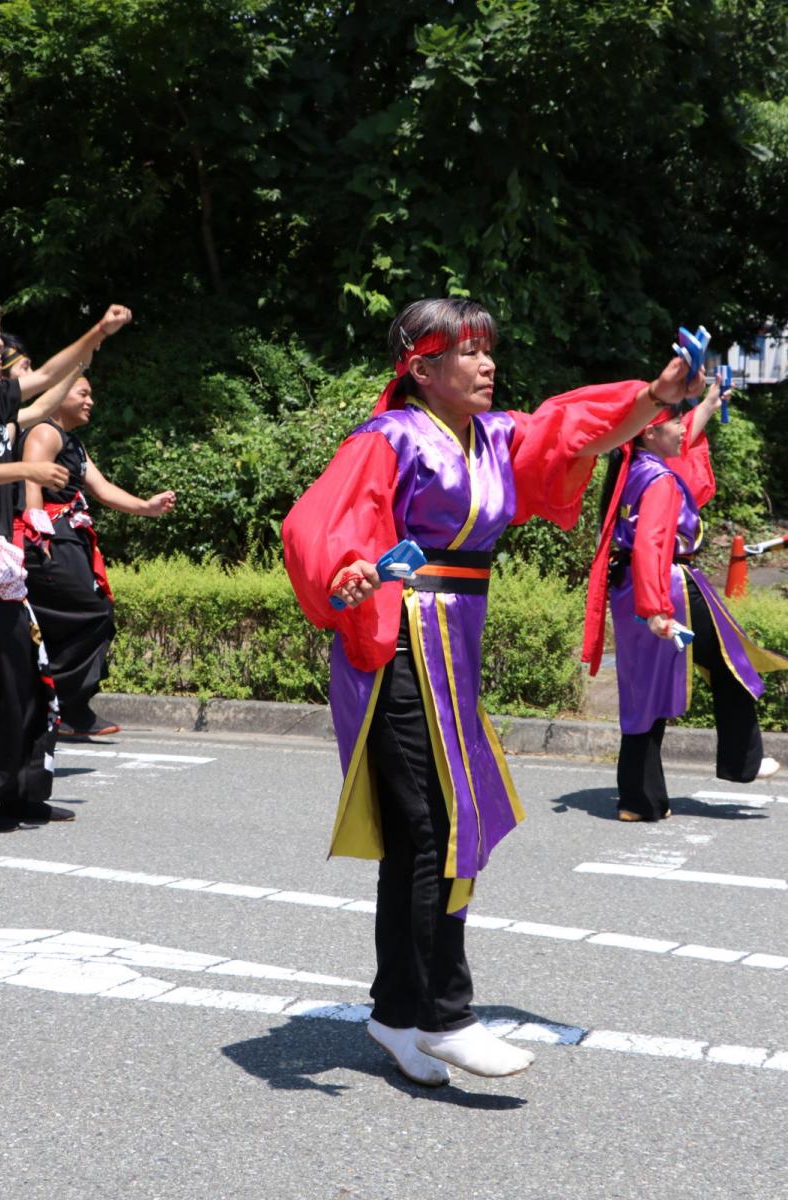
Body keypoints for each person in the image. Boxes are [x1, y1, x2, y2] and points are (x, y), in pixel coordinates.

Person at [283, 297, 703, 1086]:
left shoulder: (494, 435)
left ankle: (395, 1013)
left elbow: (571, 431)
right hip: (400, 643)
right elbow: (320, 526)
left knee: (426, 833)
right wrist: (345, 570)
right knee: (433, 825)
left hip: (454, 647)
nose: (488, 365)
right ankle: (445, 1013)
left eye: (488, 351)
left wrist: (655, 396)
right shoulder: (388, 439)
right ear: (422, 367)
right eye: (469, 353)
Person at [583, 377, 787, 824]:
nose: (682, 429)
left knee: (645, 692)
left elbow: (681, 435)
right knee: (734, 663)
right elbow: (652, 546)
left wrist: (710, 403)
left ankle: (638, 799)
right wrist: (657, 609)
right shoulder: (658, 480)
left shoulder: (634, 464)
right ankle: (743, 762)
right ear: (650, 433)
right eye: (674, 421)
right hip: (663, 586)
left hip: (635, 587)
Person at [0, 293, 132, 828]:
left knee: (30, 681)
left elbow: (49, 378)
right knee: (8, 683)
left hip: (1, 566)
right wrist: (27, 479)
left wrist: (96, 332)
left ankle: (22, 796)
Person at [17, 373, 176, 737]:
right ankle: (57, 702)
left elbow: (102, 489)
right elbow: (32, 483)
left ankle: (61, 704)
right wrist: (38, 534)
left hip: (69, 539)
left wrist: (146, 506)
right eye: (83, 393)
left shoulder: (73, 444)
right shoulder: (45, 433)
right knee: (90, 613)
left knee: (93, 613)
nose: (91, 401)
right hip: (48, 539)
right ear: (58, 394)